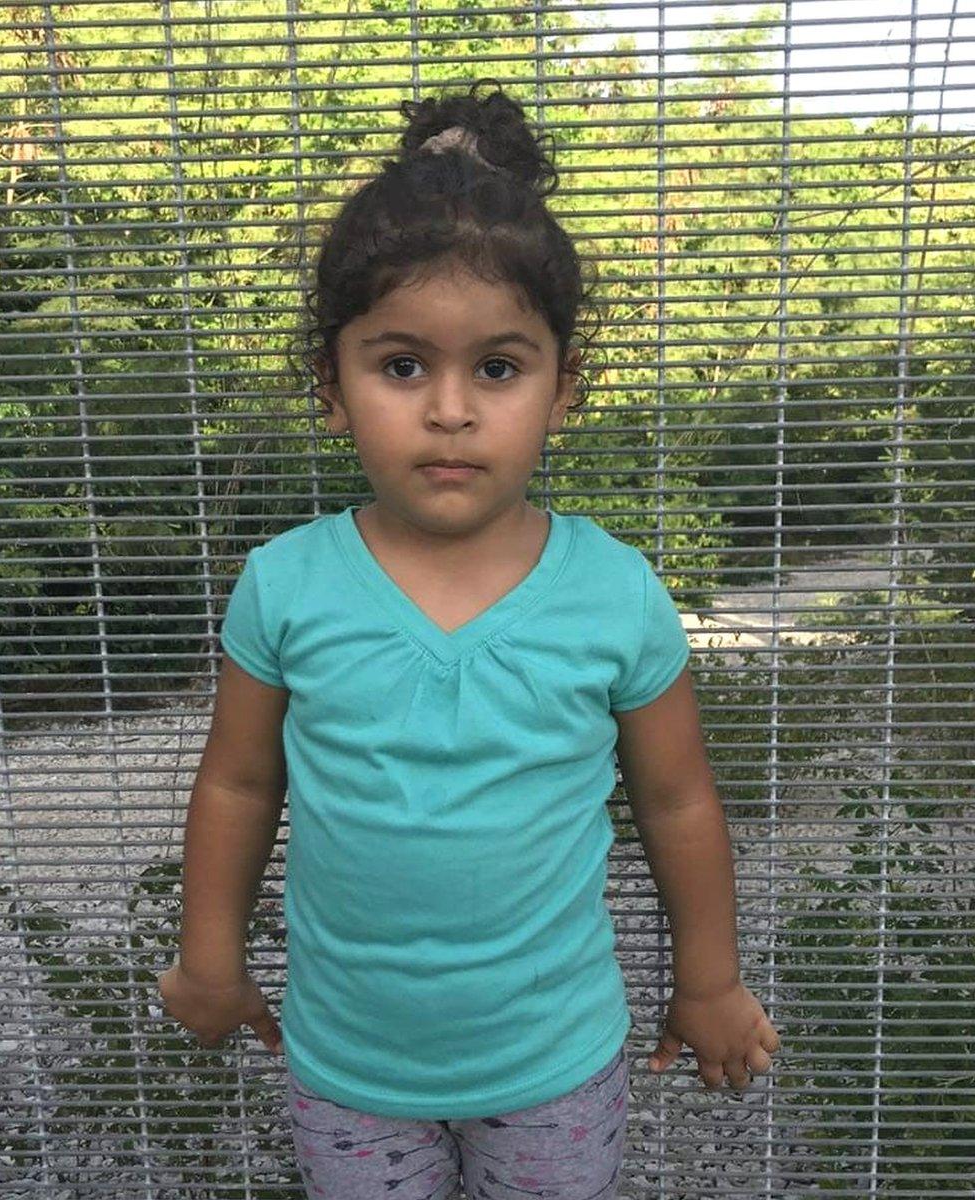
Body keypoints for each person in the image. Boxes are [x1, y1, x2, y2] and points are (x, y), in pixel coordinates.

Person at [157, 77, 780, 1200]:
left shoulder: (615, 593)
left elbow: (678, 801)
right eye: (402, 366)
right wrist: (210, 955)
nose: (450, 409)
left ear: (562, 389)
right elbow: (241, 784)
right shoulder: (285, 585)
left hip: (553, 1064)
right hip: (348, 1067)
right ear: (332, 387)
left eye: (496, 367)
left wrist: (710, 980)